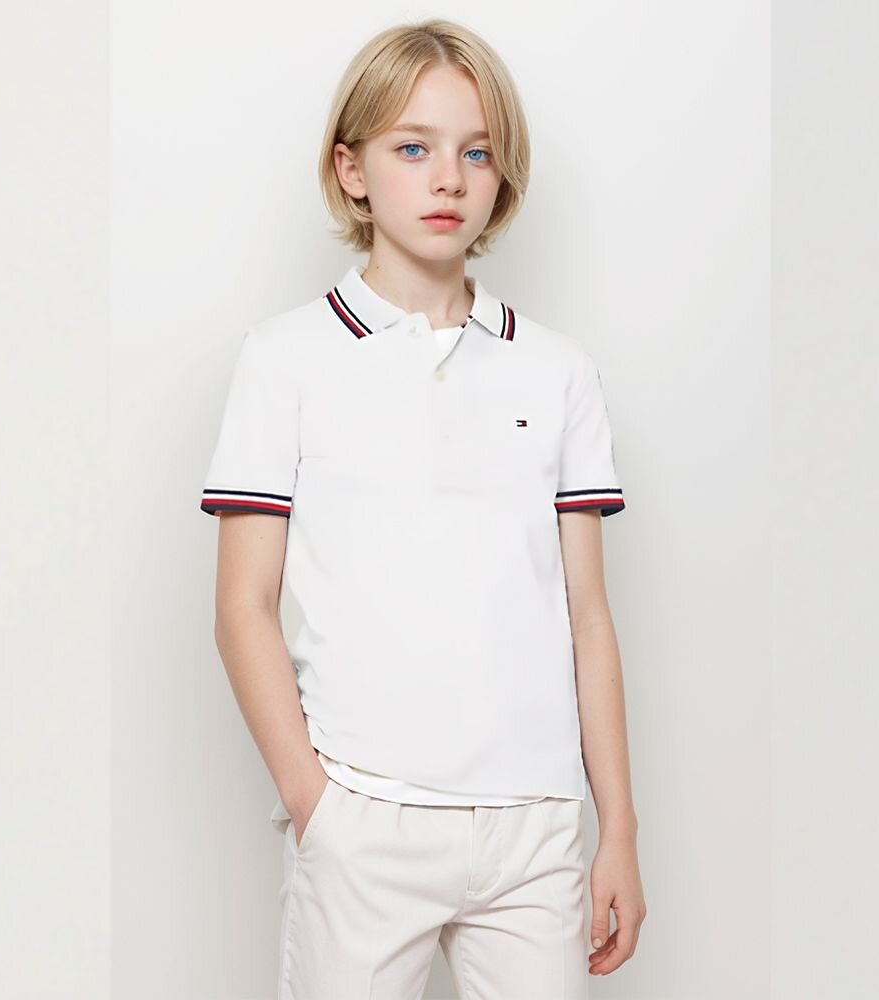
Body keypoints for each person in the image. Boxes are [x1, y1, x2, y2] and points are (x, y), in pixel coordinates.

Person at [200, 17, 646, 999]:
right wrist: (315, 803)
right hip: (364, 818)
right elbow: (242, 607)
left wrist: (615, 826)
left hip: (533, 827)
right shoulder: (286, 359)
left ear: (500, 176)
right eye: (413, 148)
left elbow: (587, 617)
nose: (448, 178)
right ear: (351, 169)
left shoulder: (558, 370)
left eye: (475, 152)